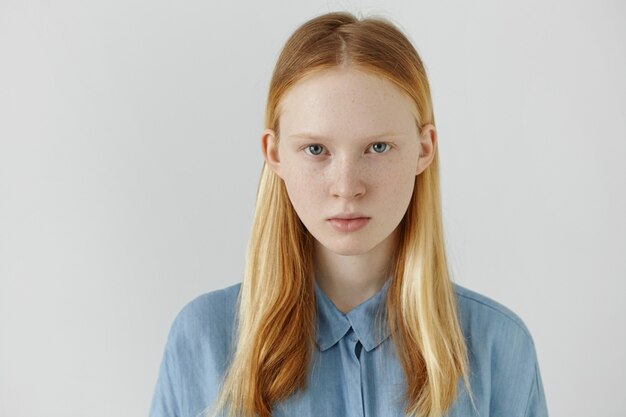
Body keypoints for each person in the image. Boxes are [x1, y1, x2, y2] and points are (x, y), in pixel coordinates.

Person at [149, 11, 549, 417]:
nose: (346, 186)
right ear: (274, 153)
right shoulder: (202, 340)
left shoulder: (500, 346)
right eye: (316, 149)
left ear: (424, 149)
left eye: (377, 147)